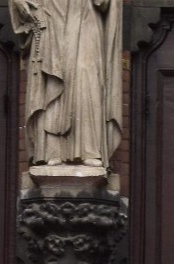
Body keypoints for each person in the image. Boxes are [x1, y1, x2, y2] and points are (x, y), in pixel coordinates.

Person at [9, 0, 122, 168]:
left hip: (86, 18)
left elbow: (104, 4)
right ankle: (52, 151)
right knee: (51, 78)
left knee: (87, 81)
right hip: (52, 16)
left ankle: (88, 150)